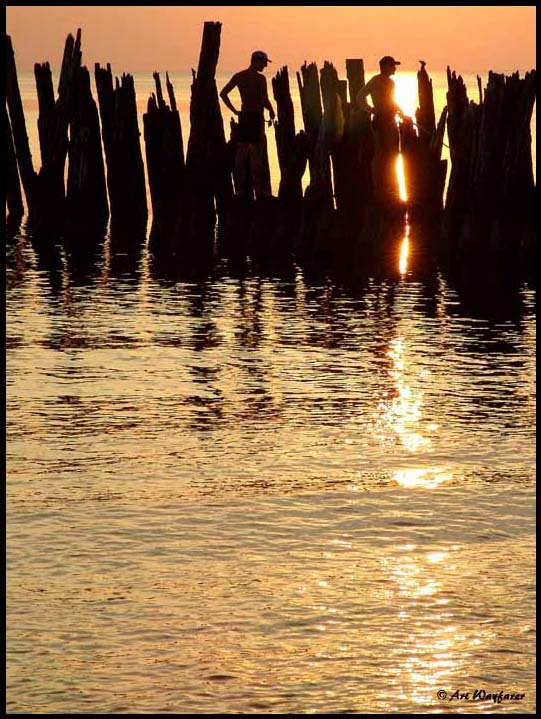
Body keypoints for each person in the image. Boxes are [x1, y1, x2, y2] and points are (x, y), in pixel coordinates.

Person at [220, 51, 276, 199]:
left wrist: (235, 111)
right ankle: (259, 191)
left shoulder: (240, 76)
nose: (265, 66)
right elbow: (264, 99)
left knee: (241, 154)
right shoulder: (260, 79)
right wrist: (272, 111)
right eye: (263, 62)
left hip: (244, 116)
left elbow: (223, 93)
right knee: (257, 156)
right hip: (256, 117)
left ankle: (240, 191)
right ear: (256, 61)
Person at [356, 56, 404, 204]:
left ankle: (388, 185)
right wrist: (371, 110)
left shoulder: (391, 83)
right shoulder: (376, 81)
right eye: (392, 66)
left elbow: (391, 101)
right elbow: (360, 97)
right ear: (385, 66)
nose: (394, 68)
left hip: (389, 121)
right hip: (381, 122)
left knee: (391, 153)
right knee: (382, 154)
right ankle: (380, 186)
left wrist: (400, 111)